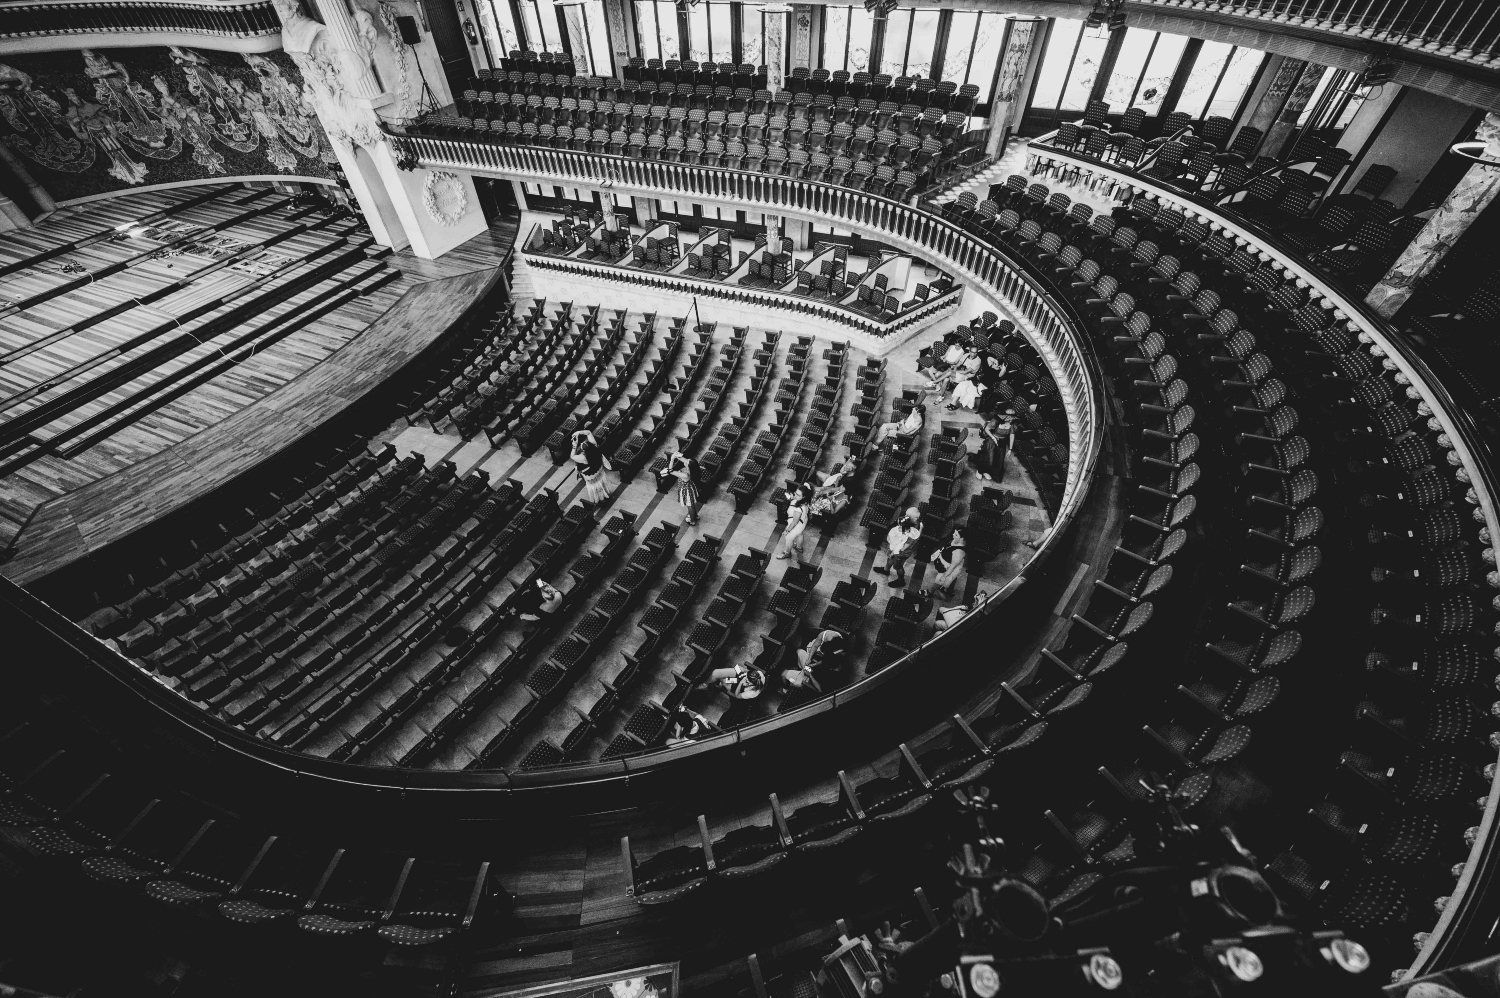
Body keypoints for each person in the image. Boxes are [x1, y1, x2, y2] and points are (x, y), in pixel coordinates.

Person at [873, 507, 922, 588]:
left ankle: (901, 580)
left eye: (917, 517)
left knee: (898, 567)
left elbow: (902, 548)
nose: (917, 519)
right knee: (890, 559)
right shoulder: (907, 522)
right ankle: (886, 570)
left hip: (901, 553)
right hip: (895, 548)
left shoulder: (911, 532)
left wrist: (892, 552)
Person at [570, 428, 611, 505]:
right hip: (599, 469)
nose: (582, 443)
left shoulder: (584, 458)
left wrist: (574, 445)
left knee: (595, 487)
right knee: (601, 482)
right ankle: (605, 494)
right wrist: (579, 432)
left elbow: (572, 456)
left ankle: (600, 500)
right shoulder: (594, 446)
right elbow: (588, 432)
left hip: (591, 475)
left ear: (584, 451)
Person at [924, 528, 967, 598]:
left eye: (956, 535)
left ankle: (930, 593)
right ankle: (950, 589)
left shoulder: (959, 552)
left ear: (962, 538)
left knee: (938, 581)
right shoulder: (956, 540)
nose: (953, 535)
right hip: (945, 562)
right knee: (952, 577)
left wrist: (944, 576)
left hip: (949, 567)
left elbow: (952, 567)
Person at [775, 485, 811, 562]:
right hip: (803, 522)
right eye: (796, 493)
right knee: (800, 534)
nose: (795, 495)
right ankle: (799, 547)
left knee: (788, 538)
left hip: (795, 525)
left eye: (798, 495)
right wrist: (792, 497)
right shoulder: (805, 501)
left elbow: (794, 522)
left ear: (803, 496)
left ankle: (787, 553)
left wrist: (787, 531)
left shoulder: (798, 509)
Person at [973, 412, 1012, 481]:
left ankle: (987, 471)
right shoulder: (996, 420)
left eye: (1012, 416)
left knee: (997, 461)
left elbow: (1012, 435)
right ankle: (980, 471)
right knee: (989, 459)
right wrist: (993, 438)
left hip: (1001, 443)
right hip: (992, 441)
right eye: (1008, 416)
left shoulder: (1012, 424)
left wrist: (1010, 449)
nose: (1010, 418)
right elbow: (986, 429)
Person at [666, 451, 702, 526]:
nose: (685, 461)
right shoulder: (693, 468)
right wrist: (676, 455)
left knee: (690, 506)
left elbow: (670, 471)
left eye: (686, 462)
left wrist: (672, 459)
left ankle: (692, 520)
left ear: (688, 466)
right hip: (690, 487)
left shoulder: (686, 475)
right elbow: (685, 460)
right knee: (692, 504)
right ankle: (696, 515)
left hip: (687, 491)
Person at [700, 663, 765, 699]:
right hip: (741, 676)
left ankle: (717, 684)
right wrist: (743, 670)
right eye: (747, 677)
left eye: (747, 680)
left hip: (738, 687)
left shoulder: (751, 693)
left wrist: (741, 682)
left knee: (723, 680)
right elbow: (747, 672)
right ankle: (706, 683)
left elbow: (737, 695)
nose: (746, 679)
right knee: (716, 673)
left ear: (752, 685)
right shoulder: (759, 674)